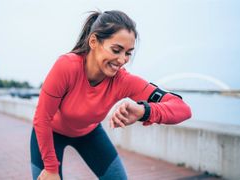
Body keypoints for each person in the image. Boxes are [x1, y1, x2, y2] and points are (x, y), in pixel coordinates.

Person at [31, 10, 192, 180]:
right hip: (50, 133)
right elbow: (42, 118)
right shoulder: (67, 66)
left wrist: (143, 111)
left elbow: (183, 109)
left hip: (89, 134)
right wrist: (51, 168)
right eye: (116, 50)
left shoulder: (123, 81)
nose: (122, 60)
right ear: (93, 41)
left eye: (128, 53)